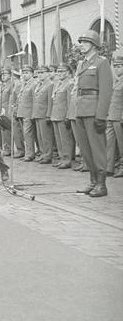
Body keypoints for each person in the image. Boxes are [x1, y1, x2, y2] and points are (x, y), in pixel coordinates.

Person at [73, 30, 113, 197]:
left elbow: (106, 91)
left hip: (94, 111)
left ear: (93, 44)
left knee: (97, 149)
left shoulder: (102, 62)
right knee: (86, 149)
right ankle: (93, 180)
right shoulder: (82, 63)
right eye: (81, 42)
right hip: (81, 110)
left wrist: (101, 116)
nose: (81, 45)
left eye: (84, 42)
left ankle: (102, 185)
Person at [47, 63, 74, 169]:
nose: (60, 73)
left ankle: (67, 160)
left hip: (63, 115)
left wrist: (68, 116)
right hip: (55, 114)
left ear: (68, 73)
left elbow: (69, 102)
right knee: (58, 139)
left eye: (62, 71)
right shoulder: (58, 84)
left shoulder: (69, 84)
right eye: (58, 71)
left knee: (65, 139)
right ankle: (62, 158)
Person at [32, 65, 54, 164]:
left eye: (42, 73)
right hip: (37, 113)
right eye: (39, 73)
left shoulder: (50, 84)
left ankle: (47, 155)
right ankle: (43, 153)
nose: (40, 75)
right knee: (40, 137)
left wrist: (49, 115)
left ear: (48, 74)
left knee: (46, 137)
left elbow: (50, 101)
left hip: (44, 113)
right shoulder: (39, 84)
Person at [106, 52, 123, 178]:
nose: (116, 69)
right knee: (110, 142)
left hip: (119, 117)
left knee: (121, 144)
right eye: (115, 66)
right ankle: (109, 167)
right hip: (111, 116)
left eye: (119, 66)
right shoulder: (115, 81)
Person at [16, 64, 38, 161]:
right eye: (23, 73)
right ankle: (28, 152)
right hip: (22, 112)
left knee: (28, 134)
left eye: (27, 73)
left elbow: (34, 100)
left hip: (29, 112)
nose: (24, 75)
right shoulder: (23, 84)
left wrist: (33, 113)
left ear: (32, 74)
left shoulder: (33, 84)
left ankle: (30, 154)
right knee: (25, 134)